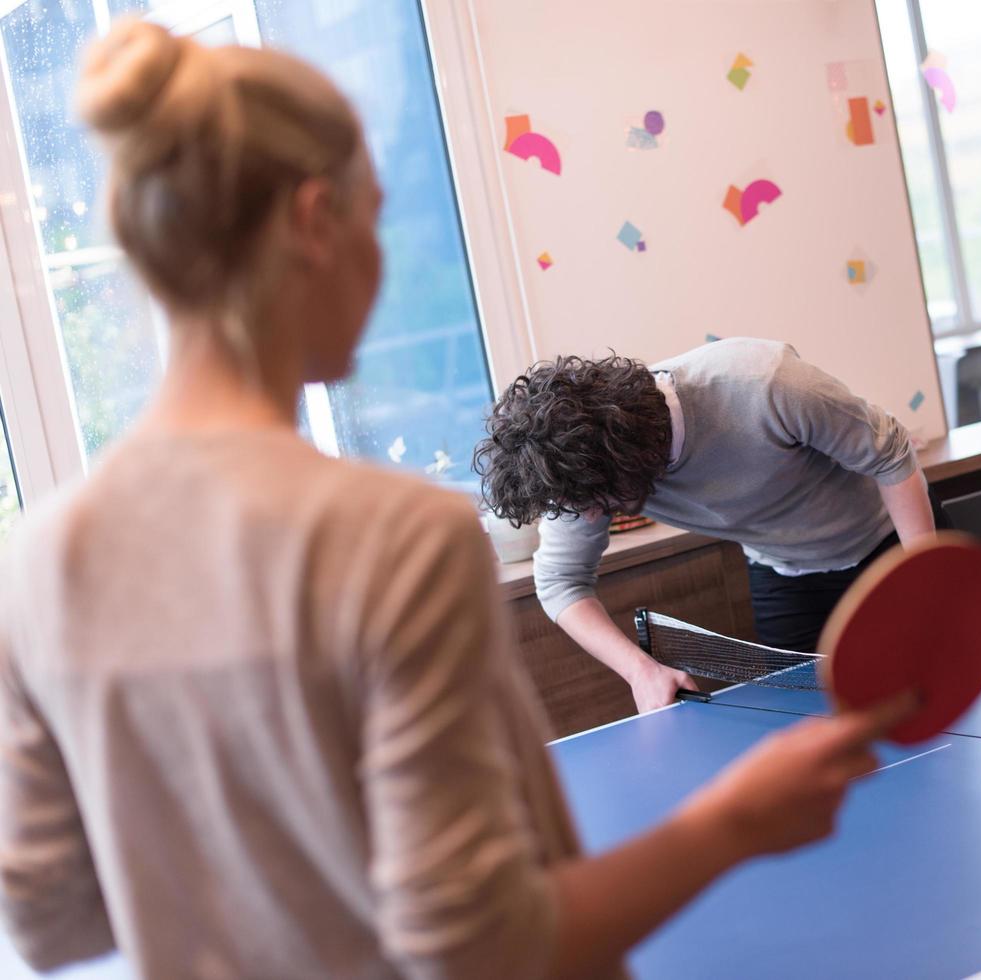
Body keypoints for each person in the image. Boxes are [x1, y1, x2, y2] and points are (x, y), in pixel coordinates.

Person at [0, 21, 912, 979]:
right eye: (375, 217)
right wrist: (734, 822)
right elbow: (489, 947)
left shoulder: (36, 565)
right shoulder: (391, 538)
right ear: (314, 221)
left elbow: (52, 922)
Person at [477, 342, 943, 712]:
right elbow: (560, 582)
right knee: (813, 724)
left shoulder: (763, 383)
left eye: (599, 504)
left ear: (629, 460)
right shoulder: (581, 475)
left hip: (893, 542)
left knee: (939, 691)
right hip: (786, 573)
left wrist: (923, 575)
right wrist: (641, 671)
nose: (592, 517)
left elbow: (890, 454)